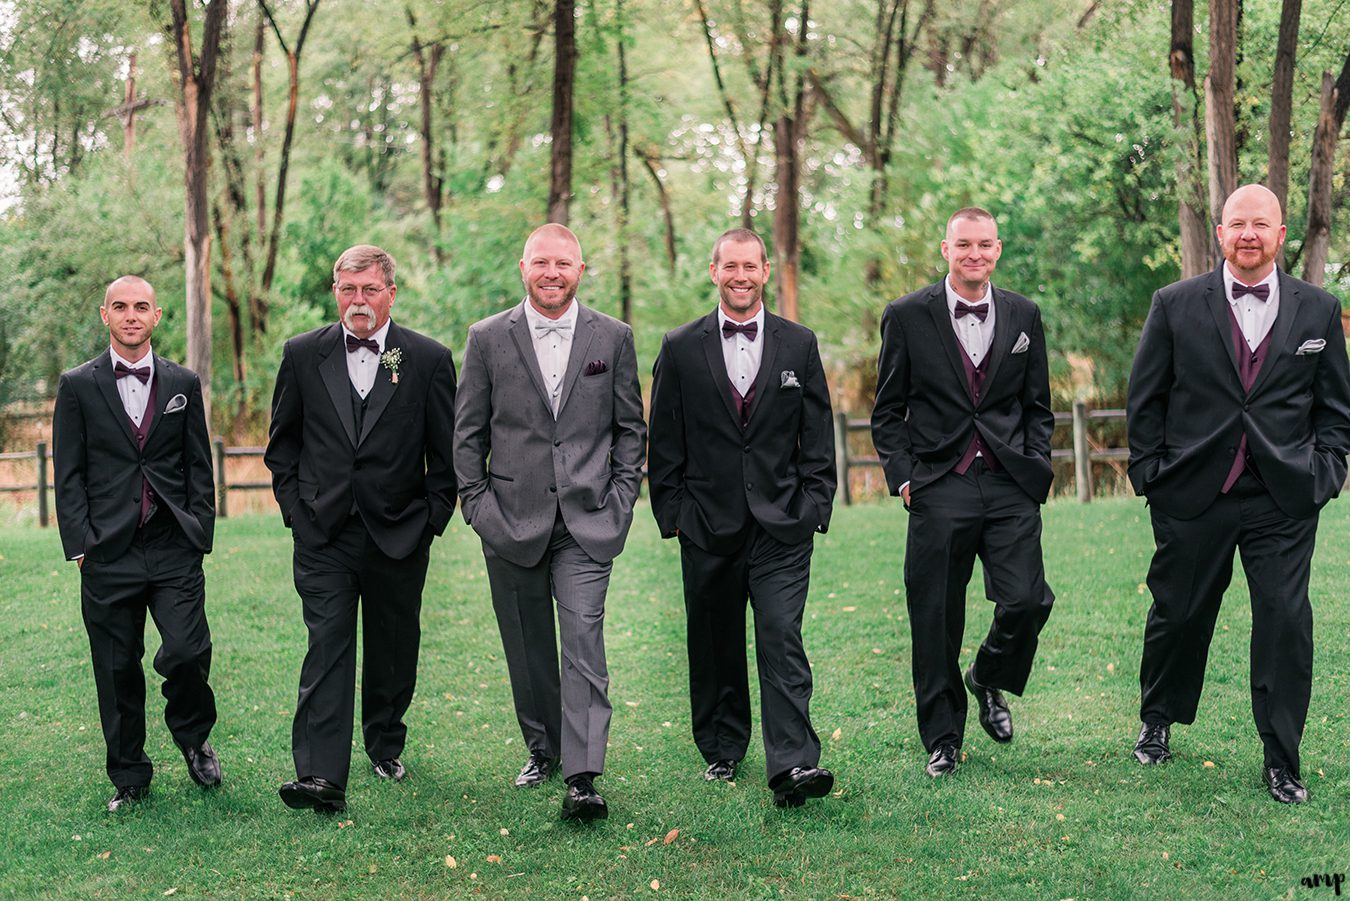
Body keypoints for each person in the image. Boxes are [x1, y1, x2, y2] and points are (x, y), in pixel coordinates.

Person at [1126, 183, 1350, 804]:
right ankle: (1158, 720)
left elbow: (1336, 409)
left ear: (1282, 235)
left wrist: (1325, 471)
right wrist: (1152, 477)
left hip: (1284, 497)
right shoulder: (1174, 304)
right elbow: (1145, 399)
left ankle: (1282, 759)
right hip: (1195, 493)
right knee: (1180, 609)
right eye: (1236, 224)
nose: (1248, 234)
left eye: (1261, 224)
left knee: (1284, 620)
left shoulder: (1318, 311)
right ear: (1221, 234)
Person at [453, 224, 645, 822]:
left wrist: (620, 498)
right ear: (524, 267)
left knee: (583, 641)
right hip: (509, 517)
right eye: (542, 262)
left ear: (581, 270)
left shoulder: (612, 337)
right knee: (527, 644)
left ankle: (583, 776)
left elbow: (631, 429)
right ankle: (542, 749)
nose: (552, 273)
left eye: (563, 263)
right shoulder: (487, 338)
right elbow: (468, 434)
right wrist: (479, 506)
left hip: (588, 520)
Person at [647, 228, 837, 807]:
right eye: (730, 266)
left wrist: (813, 505)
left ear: (764, 270)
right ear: (713, 271)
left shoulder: (798, 344)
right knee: (715, 643)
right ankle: (723, 749)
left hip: (781, 525)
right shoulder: (680, 347)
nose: (740, 276)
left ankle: (795, 764)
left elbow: (818, 434)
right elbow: (666, 443)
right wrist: (675, 515)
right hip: (707, 526)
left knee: (781, 636)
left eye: (750, 266)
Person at [265, 244, 458, 812]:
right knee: (326, 645)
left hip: (399, 531)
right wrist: (297, 514)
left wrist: (430, 520)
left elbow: (444, 456)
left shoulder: (425, 358)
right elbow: (283, 447)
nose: (359, 301)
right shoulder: (303, 354)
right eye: (348, 290)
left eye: (370, 289)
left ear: (391, 294)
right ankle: (321, 775)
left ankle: (384, 739)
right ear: (335, 293)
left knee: (394, 647)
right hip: (323, 533)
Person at [871, 207, 1056, 778]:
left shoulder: (1025, 314)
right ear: (945, 249)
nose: (974, 254)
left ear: (997, 250)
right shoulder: (906, 316)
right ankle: (943, 740)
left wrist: (1036, 463)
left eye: (984, 245)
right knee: (935, 619)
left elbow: (1038, 407)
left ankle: (988, 677)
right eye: (963, 245)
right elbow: (887, 412)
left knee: (1027, 600)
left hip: (1008, 484)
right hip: (937, 484)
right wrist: (906, 478)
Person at [52, 275, 221, 812]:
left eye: (140, 306)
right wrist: (80, 546)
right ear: (105, 315)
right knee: (117, 664)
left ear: (157, 316)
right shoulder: (77, 386)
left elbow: (199, 464)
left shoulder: (183, 384)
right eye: (120, 307)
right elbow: (69, 473)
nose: (131, 315)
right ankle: (130, 775)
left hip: (173, 544)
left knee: (189, 651)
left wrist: (200, 529)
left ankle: (193, 737)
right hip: (108, 550)